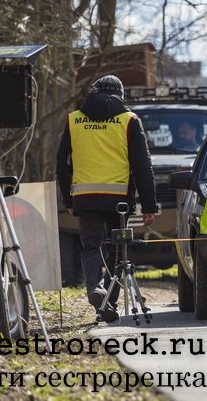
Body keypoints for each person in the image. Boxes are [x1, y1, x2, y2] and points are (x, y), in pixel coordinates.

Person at [56, 75, 157, 322]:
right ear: (120, 96)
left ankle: (95, 288)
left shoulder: (74, 120)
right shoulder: (129, 120)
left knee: (91, 246)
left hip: (85, 197)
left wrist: (68, 199)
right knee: (116, 249)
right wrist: (149, 204)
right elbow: (142, 165)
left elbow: (61, 163)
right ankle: (109, 301)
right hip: (118, 199)